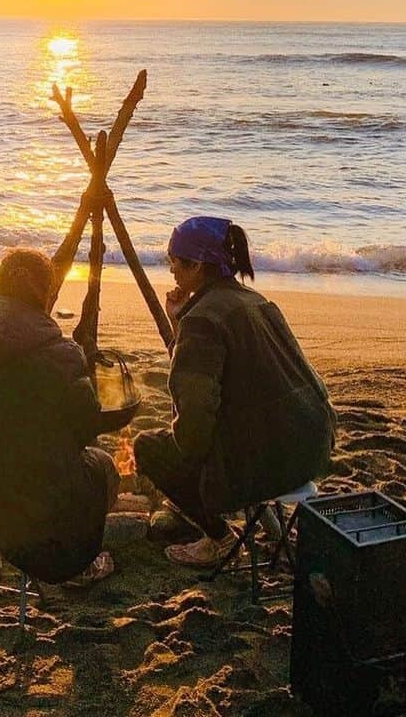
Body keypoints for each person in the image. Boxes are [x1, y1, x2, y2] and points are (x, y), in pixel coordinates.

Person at [134, 216, 337, 568]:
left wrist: (185, 463)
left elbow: (194, 415)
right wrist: (178, 322)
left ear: (197, 264)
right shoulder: (255, 301)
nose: (171, 271)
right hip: (314, 444)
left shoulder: (202, 320)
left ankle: (219, 539)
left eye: (175, 262)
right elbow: (210, 368)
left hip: (270, 460)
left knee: (149, 447)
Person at [0, 247, 120, 585]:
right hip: (31, 507)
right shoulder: (63, 355)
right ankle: (81, 561)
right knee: (103, 466)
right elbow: (87, 426)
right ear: (47, 298)